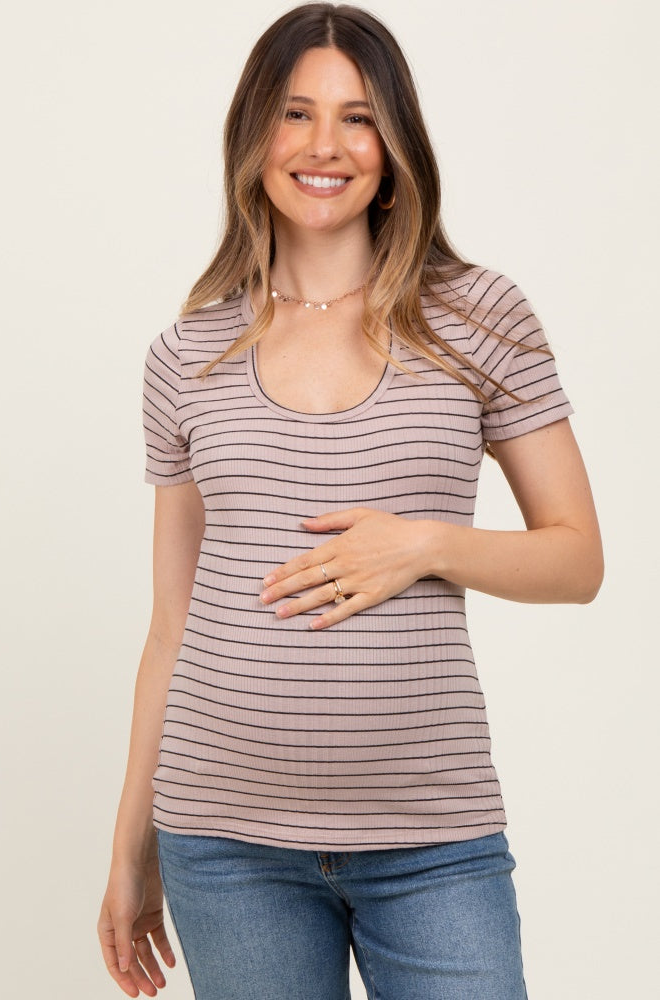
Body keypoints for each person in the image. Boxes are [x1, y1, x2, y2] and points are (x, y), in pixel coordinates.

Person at [97, 4, 603, 998]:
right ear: (254, 137)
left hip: (432, 840)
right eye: (296, 114)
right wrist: (130, 848)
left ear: (394, 144)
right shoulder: (186, 355)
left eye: (357, 117)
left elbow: (576, 557)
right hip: (225, 846)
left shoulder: (478, 317)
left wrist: (423, 546)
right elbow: (170, 624)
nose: (324, 145)